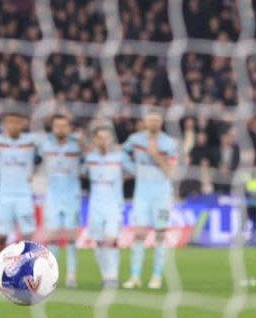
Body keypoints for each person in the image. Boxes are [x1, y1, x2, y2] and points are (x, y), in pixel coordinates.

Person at [122, 110, 179, 290]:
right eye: (151, 120)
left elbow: (171, 171)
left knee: (160, 235)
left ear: (161, 122)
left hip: (162, 195)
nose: (154, 123)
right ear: (145, 121)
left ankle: (156, 276)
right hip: (142, 195)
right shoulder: (135, 139)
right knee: (139, 234)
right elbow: (122, 154)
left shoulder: (169, 143)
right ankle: (135, 275)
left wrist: (155, 155)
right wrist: (133, 169)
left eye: (157, 120)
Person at [83, 125, 134, 288]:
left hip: (114, 206)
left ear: (111, 139)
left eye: (106, 138)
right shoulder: (90, 158)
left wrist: (122, 177)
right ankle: (106, 276)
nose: (103, 141)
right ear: (95, 140)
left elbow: (134, 171)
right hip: (95, 205)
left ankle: (113, 276)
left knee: (111, 240)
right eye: (100, 138)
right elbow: (82, 172)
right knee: (99, 241)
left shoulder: (119, 157)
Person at [40, 114, 82, 287]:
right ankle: (53, 275)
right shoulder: (45, 144)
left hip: (72, 197)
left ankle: (72, 275)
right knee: (53, 238)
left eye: (64, 126)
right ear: (53, 128)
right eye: (57, 126)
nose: (61, 129)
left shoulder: (77, 146)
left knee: (72, 238)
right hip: (52, 197)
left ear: (69, 128)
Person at [0, 112, 39, 251]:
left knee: (28, 234)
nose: (13, 126)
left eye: (17, 122)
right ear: (5, 125)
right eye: (10, 122)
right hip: (4, 194)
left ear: (23, 124)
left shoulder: (31, 141)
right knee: (1, 236)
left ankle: (27, 265)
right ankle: (0, 269)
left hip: (24, 194)